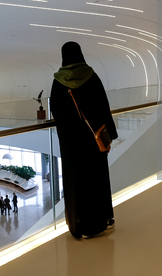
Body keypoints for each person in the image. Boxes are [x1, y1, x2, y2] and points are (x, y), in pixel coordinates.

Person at [50, 42, 118, 239]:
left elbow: (57, 112)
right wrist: (109, 136)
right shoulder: (92, 76)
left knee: (74, 180)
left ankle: (77, 224)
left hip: (71, 143)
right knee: (97, 179)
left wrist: (67, 133)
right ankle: (99, 221)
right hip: (92, 140)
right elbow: (103, 106)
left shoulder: (57, 82)